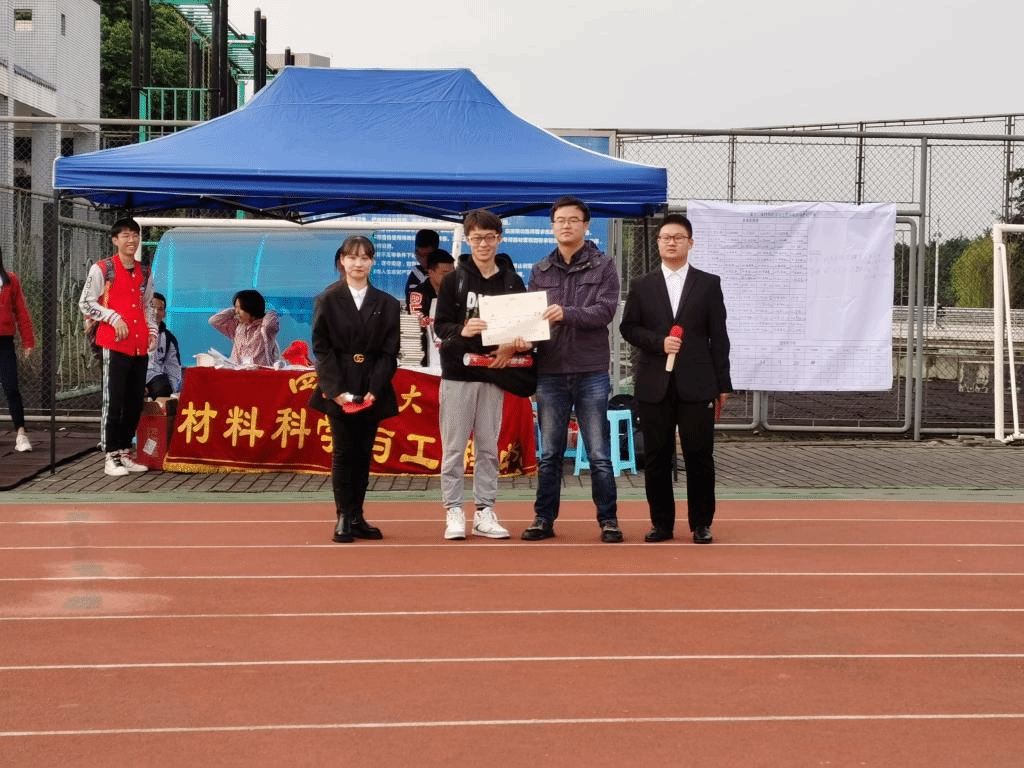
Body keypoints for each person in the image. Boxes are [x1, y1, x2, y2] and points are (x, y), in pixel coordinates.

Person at [619, 213, 732, 544]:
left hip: (698, 383)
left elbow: (719, 337)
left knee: (699, 456)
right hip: (654, 384)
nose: (671, 242)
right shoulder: (642, 285)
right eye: (665, 237)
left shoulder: (708, 284)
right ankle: (662, 524)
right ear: (658, 243)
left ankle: (701, 523)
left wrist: (723, 383)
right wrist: (659, 342)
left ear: (690, 243)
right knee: (657, 457)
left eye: (678, 237)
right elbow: (629, 328)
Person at [523, 196, 623, 543]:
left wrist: (567, 313)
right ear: (552, 226)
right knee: (549, 454)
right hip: (550, 370)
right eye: (559, 220)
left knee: (599, 454)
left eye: (573, 219)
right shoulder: (540, 270)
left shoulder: (603, 265)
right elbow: (530, 318)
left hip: (590, 370)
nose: (566, 225)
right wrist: (519, 337)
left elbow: (605, 311)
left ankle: (608, 520)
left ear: (586, 225)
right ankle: (543, 519)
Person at [433, 209, 534, 541]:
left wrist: (517, 344)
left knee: (489, 447)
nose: (483, 244)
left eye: (490, 237)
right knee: (454, 446)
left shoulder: (512, 282)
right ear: (468, 239)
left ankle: (484, 510)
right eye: (477, 238)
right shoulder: (454, 280)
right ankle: (453, 509)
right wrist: (463, 329)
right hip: (459, 374)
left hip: (495, 374)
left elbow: (523, 328)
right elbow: (441, 326)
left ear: (499, 239)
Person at [308, 236, 399, 543]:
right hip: (339, 382)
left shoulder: (387, 303)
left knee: (363, 453)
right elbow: (321, 348)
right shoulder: (328, 299)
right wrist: (335, 390)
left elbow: (389, 352)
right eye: (352, 257)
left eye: (365, 258)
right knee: (343, 451)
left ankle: (358, 515)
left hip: (372, 382)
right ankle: (343, 516)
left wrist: (375, 388)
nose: (358, 263)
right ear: (342, 261)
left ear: (372, 262)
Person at [79, 217, 158, 477]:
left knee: (134, 402)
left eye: (135, 235)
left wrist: (152, 330)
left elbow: (148, 304)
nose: (131, 240)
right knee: (113, 401)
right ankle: (110, 455)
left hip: (139, 345)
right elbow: (86, 302)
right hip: (113, 344)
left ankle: (124, 451)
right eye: (125, 235)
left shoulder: (145, 271)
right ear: (115, 240)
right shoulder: (103, 269)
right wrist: (112, 317)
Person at [0, 247, 35, 452]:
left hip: (4, 342)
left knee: (11, 387)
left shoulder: (11, 280)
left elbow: (21, 312)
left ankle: (21, 433)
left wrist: (28, 341)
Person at [208, 289, 280, 366]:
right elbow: (214, 321)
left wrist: (267, 312)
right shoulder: (237, 327)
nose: (237, 312)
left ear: (251, 308)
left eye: (241, 308)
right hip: (237, 372)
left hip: (259, 372)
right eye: (236, 308)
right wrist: (235, 310)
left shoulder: (265, 329)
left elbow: (269, 324)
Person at [409, 248, 455, 367]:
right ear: (430, 272)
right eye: (444, 273)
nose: (450, 277)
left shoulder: (456, 292)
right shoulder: (419, 294)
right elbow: (416, 321)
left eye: (452, 273)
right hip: (426, 354)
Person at [145, 292, 182, 398]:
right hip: (133, 375)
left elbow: (173, 367)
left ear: (164, 314)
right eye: (152, 307)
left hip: (153, 378)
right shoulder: (134, 331)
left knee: (163, 386)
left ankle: (147, 393)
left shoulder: (169, 339)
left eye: (160, 309)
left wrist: (171, 392)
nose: (155, 312)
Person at [404, 229, 440, 310]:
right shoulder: (415, 274)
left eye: (427, 255)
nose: (423, 260)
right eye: (419, 255)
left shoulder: (445, 271)